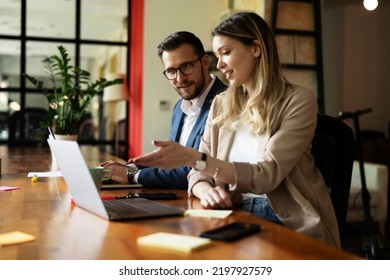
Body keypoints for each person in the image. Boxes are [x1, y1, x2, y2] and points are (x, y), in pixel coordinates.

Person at [130, 12, 341, 248]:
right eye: (217, 55)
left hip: (281, 218)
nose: (218, 64)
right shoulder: (221, 103)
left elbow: (266, 176)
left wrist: (194, 158)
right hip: (230, 212)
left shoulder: (298, 100)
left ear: (256, 49)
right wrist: (205, 190)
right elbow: (197, 174)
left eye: (225, 52)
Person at [100, 31, 227, 189]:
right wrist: (130, 168)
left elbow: (200, 168)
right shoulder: (179, 108)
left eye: (186, 66)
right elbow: (173, 165)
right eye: (171, 71)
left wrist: (132, 176)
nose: (180, 78)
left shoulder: (227, 103)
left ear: (205, 62)